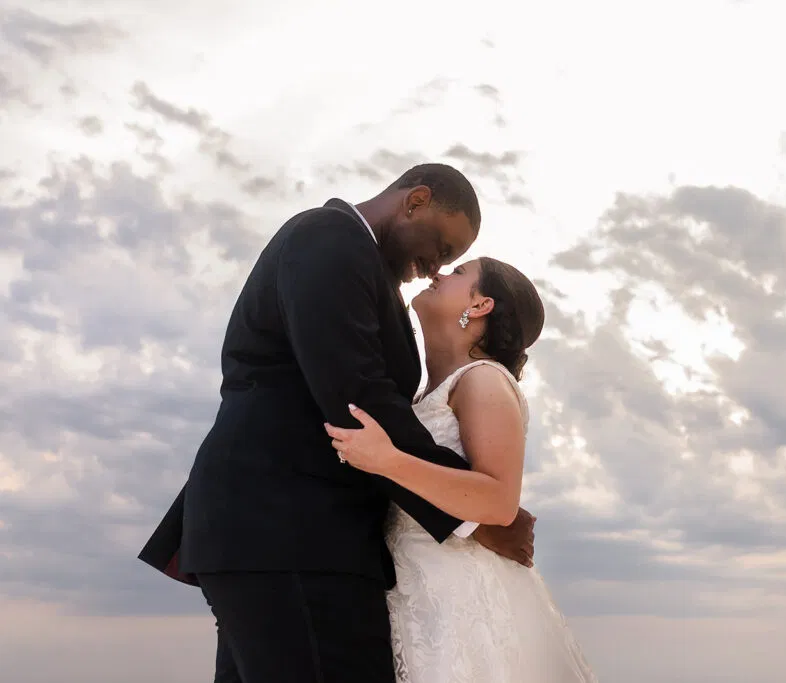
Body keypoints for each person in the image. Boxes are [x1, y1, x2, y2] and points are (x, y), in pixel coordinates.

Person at [137, 164, 536, 683]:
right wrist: (473, 518)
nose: (435, 267)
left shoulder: (362, 265)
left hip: (286, 537)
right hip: (288, 532)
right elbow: (356, 396)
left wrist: (472, 506)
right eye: (442, 247)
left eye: (451, 262)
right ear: (415, 201)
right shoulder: (329, 239)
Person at [325, 257, 598, 683]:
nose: (438, 273)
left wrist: (388, 461)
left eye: (457, 273)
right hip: (413, 593)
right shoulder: (423, 393)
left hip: (460, 601)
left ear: (481, 305)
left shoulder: (483, 379)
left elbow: (499, 501)